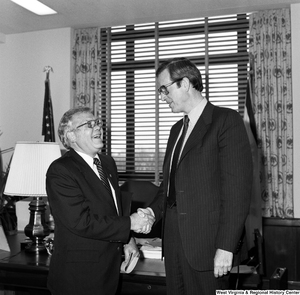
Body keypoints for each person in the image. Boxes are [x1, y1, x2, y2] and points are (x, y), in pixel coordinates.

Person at [138, 57, 253, 294]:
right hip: (173, 245)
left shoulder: (225, 121)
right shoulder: (176, 130)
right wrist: (151, 212)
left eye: (164, 89)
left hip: (208, 246)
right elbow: (168, 190)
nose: (161, 97)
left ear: (186, 83)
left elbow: (237, 193)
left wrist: (226, 247)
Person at [46, 107, 153, 295]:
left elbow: (112, 210)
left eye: (97, 123)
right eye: (89, 125)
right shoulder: (61, 171)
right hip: (78, 278)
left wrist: (127, 240)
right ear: (71, 136)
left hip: (108, 272)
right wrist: (131, 223)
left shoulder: (107, 163)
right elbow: (81, 222)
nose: (97, 128)